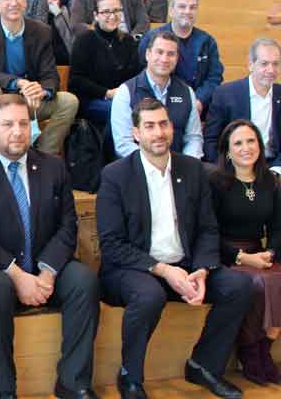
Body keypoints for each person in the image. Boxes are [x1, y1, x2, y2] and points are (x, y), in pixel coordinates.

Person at [96, 98, 251, 399]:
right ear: (136, 133)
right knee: (149, 294)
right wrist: (165, 271)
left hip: (186, 265)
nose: (158, 133)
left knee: (238, 286)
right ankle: (130, 375)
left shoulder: (193, 169)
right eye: (150, 126)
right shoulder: (115, 175)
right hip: (133, 269)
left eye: (163, 124)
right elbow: (112, 244)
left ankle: (203, 366)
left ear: (172, 127)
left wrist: (203, 271)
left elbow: (207, 228)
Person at [0, 93, 100, 399]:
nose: (18, 131)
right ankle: (4, 389)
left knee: (84, 281)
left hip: (45, 266)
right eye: (8, 124)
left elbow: (67, 225)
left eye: (24, 123)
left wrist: (46, 273)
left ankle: (73, 382)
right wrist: (17, 275)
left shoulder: (53, 167)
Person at [0, 0, 79, 153]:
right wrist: (18, 82)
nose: (14, 2)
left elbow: (50, 75)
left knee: (69, 101)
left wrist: (42, 90)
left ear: (25, 0)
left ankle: (42, 157)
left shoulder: (41, 31)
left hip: (28, 98)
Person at [210, 120, 281, 385]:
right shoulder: (215, 182)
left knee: (277, 279)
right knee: (258, 285)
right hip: (227, 254)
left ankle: (265, 349)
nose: (246, 148)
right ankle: (250, 351)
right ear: (227, 151)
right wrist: (241, 257)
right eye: (238, 143)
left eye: (251, 141)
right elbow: (208, 233)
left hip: (260, 253)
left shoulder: (270, 182)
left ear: (260, 146)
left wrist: (272, 252)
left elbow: (278, 227)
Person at [111, 31, 204, 159]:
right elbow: (123, 144)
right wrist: (156, 164)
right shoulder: (126, 92)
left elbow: (194, 138)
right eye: (159, 52)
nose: (164, 59)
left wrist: (187, 165)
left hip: (179, 169)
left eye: (171, 54)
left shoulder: (187, 92)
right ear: (148, 54)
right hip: (138, 171)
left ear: (177, 59)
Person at [139, 0, 223, 113]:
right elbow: (141, 73)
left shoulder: (207, 41)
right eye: (182, 7)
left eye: (193, 7)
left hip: (199, 106)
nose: (188, 11)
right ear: (171, 11)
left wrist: (199, 100)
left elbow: (214, 77)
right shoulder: (152, 38)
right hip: (158, 104)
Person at [204, 39, 281, 169]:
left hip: (272, 167)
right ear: (251, 65)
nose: (271, 70)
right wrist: (227, 170)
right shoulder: (225, 94)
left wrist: (277, 170)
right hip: (234, 167)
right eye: (264, 64)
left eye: (276, 64)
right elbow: (211, 141)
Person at [69, 0, 141, 129]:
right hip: (91, 100)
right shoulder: (84, 40)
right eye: (106, 12)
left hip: (122, 98)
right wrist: (106, 93)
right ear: (96, 15)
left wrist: (122, 94)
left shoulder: (128, 41)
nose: (112, 16)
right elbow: (76, 80)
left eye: (116, 11)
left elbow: (135, 75)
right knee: (119, 113)